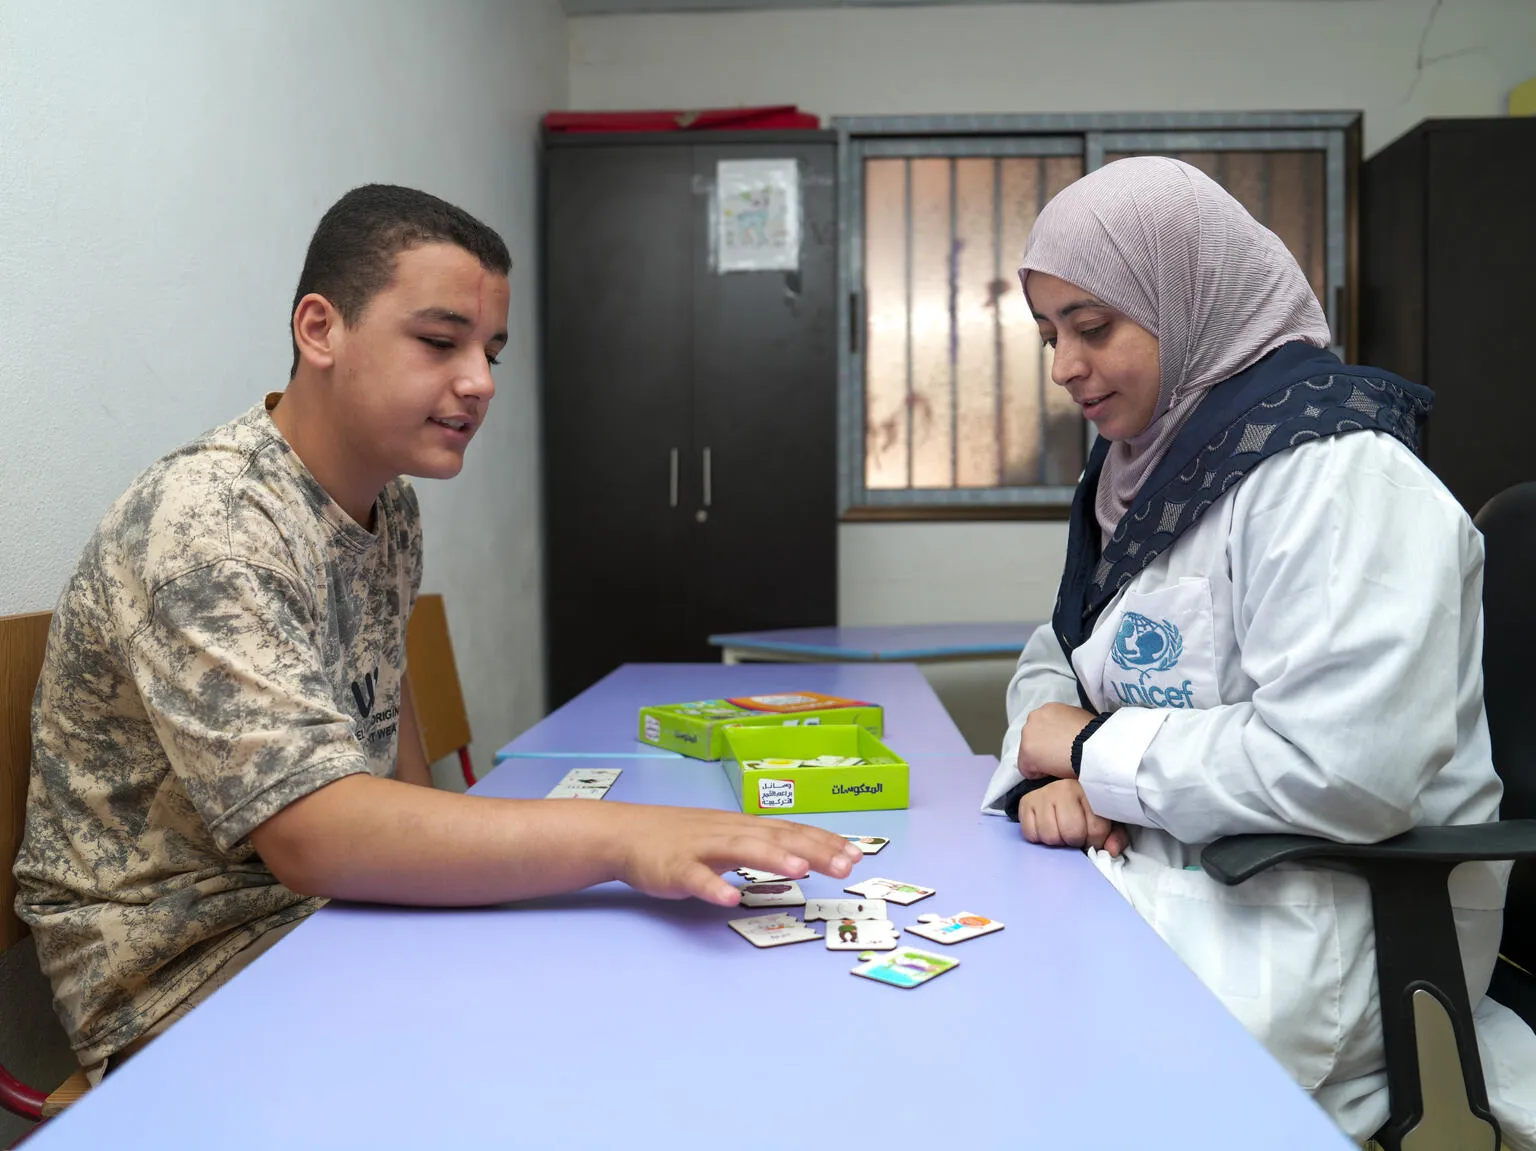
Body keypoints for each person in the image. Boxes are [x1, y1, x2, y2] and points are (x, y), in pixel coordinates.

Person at [13, 184, 861, 1081]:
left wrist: (474, 873)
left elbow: (385, 732)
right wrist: (621, 837)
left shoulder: (390, 503)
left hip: (324, 916)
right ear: (319, 329)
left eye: (490, 351)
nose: (481, 381)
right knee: (572, 1038)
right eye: (438, 340)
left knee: (643, 983)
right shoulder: (210, 522)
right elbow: (316, 837)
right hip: (189, 973)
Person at [980, 157, 1536, 1145]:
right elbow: (1054, 659)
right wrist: (1045, 764)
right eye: (1050, 333)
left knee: (1005, 1076)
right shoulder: (1148, 473)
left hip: (1314, 933)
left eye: (1093, 325)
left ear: (1189, 295)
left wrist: (1090, 753)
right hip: (1166, 876)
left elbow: (1343, 769)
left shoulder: (1341, 479)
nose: (1064, 364)